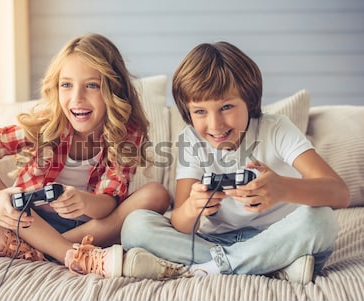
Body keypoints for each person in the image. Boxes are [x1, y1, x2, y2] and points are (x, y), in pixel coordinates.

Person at [121, 41, 350, 284]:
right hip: (215, 241)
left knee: (321, 219)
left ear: (249, 101)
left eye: (227, 107)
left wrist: (282, 188)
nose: (215, 124)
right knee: (135, 225)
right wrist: (192, 208)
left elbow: (339, 193)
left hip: (277, 237)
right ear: (188, 113)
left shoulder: (276, 129)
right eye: (200, 112)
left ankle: (213, 267)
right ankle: (268, 267)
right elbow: (180, 223)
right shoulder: (190, 140)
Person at [0, 33, 170, 278]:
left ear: (113, 89)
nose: (77, 98)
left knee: (157, 194)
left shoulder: (125, 132)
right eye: (66, 85)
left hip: (91, 226)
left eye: (92, 85)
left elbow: (110, 201)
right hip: (31, 222)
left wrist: (85, 201)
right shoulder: (48, 124)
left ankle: (38, 251)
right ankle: (70, 253)